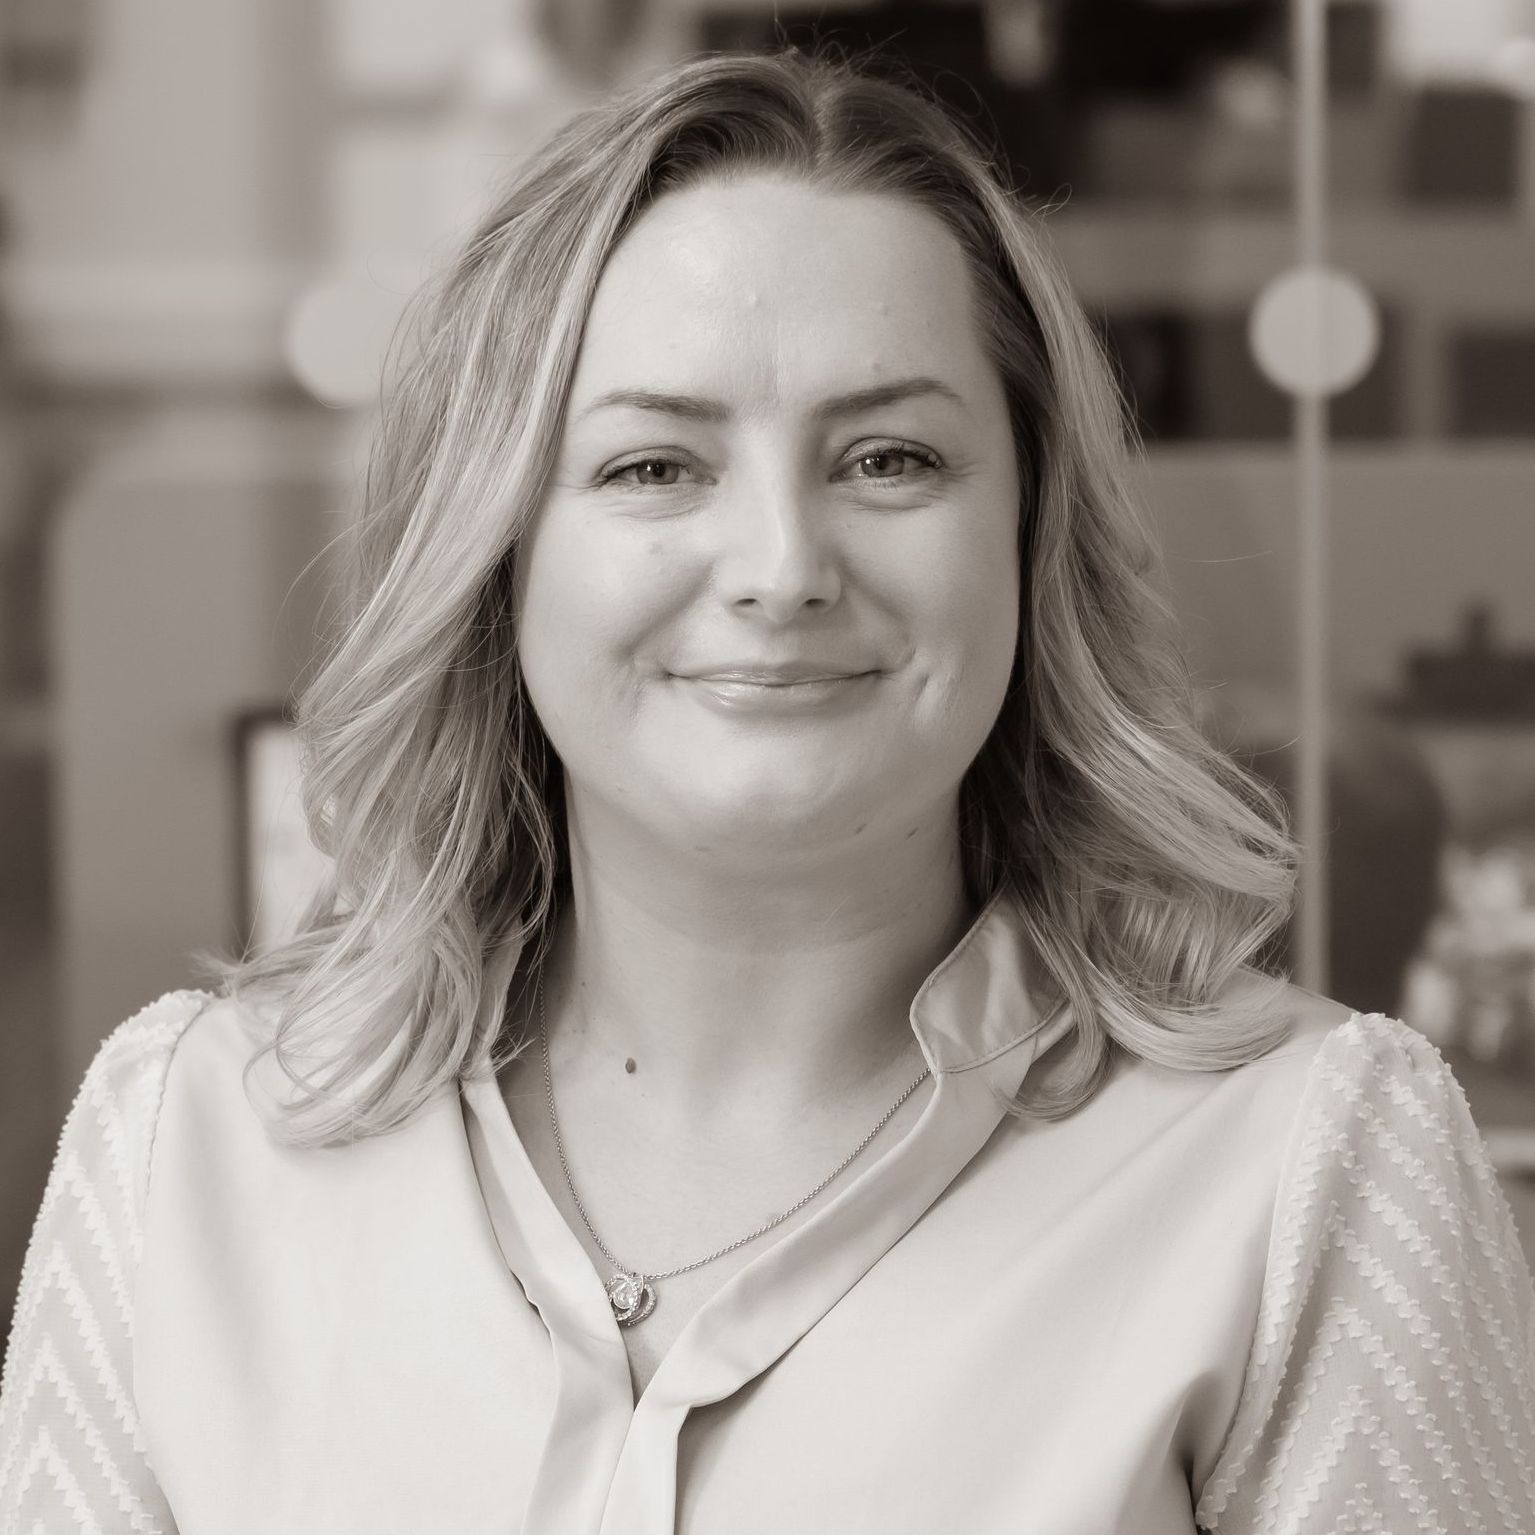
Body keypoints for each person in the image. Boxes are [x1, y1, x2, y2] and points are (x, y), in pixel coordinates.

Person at [2, 48, 1532, 1534]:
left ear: (1029, 535)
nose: (784, 572)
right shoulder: (186, 1142)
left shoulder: (1306, 1170)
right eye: (655, 468)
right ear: (498, 551)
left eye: (889, 460)